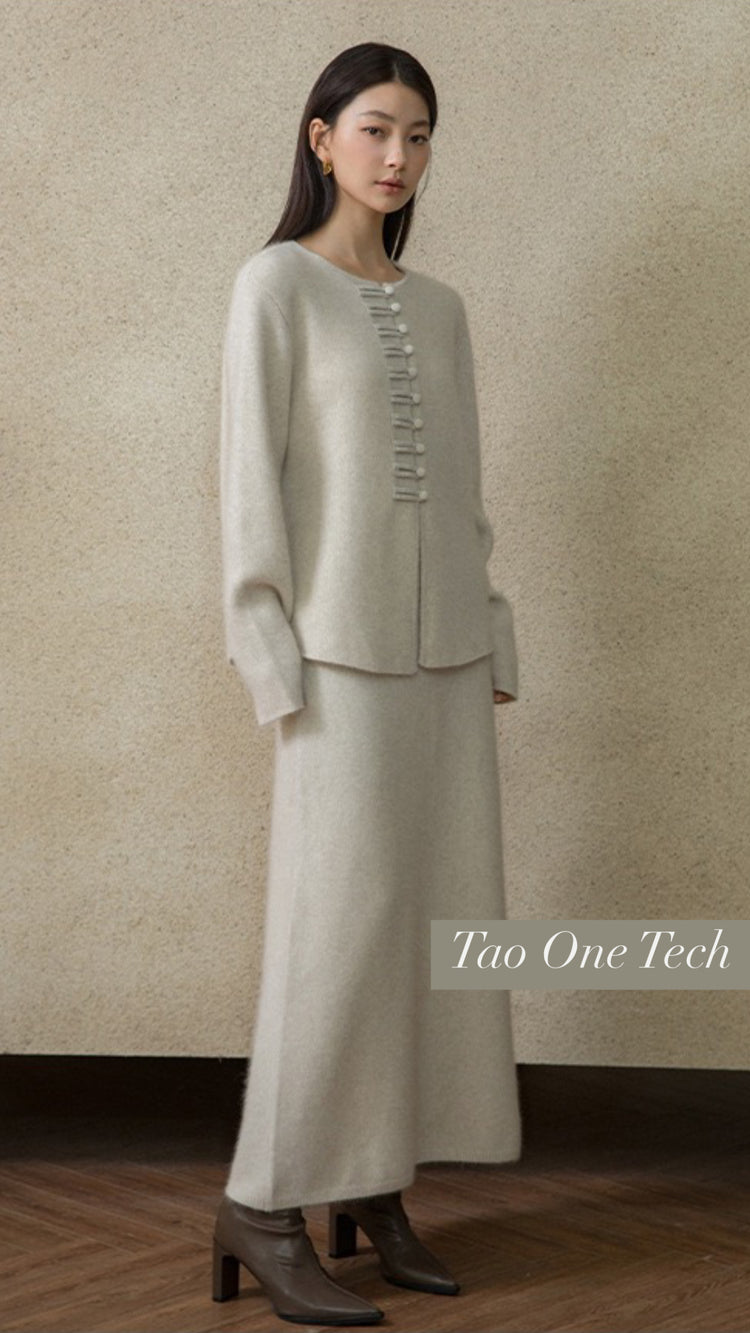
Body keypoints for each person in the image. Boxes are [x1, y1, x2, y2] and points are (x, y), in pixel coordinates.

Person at [213, 40, 522, 1327]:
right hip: (335, 658)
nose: (399, 157)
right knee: (334, 938)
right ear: (322, 137)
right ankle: (262, 1203)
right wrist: (269, 656)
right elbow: (250, 484)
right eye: (378, 129)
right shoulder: (275, 285)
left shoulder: (440, 308)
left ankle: (374, 1177)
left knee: (433, 931)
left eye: (419, 135)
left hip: (445, 656)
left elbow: (465, 493)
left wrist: (492, 636)